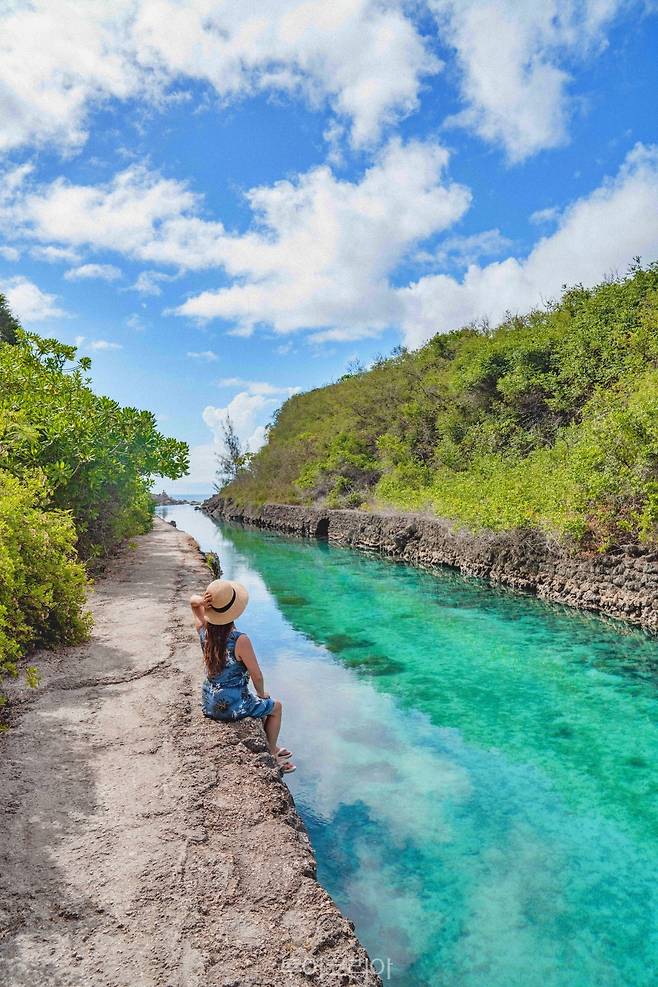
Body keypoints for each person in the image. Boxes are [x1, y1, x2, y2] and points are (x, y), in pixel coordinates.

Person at [190, 578, 296, 774]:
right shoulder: (240, 640)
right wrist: (263, 694)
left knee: (262, 703)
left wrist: (202, 602)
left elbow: (193, 603)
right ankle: (272, 751)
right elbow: (257, 676)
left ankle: (272, 746)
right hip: (232, 706)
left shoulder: (203, 630)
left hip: (209, 702)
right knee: (276, 708)